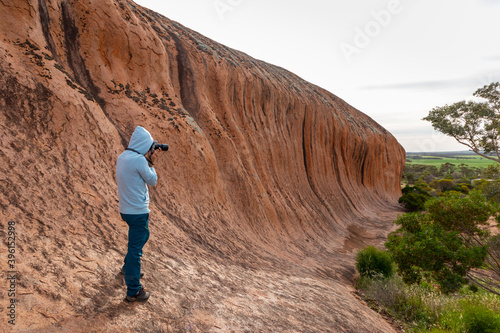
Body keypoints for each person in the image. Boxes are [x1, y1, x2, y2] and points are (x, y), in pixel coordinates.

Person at [116, 126, 158, 302]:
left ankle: (128, 267)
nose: (150, 150)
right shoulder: (140, 160)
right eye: (149, 147)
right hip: (138, 212)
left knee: (142, 237)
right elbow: (152, 180)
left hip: (126, 210)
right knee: (135, 250)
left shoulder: (122, 157)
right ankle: (134, 290)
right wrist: (153, 164)